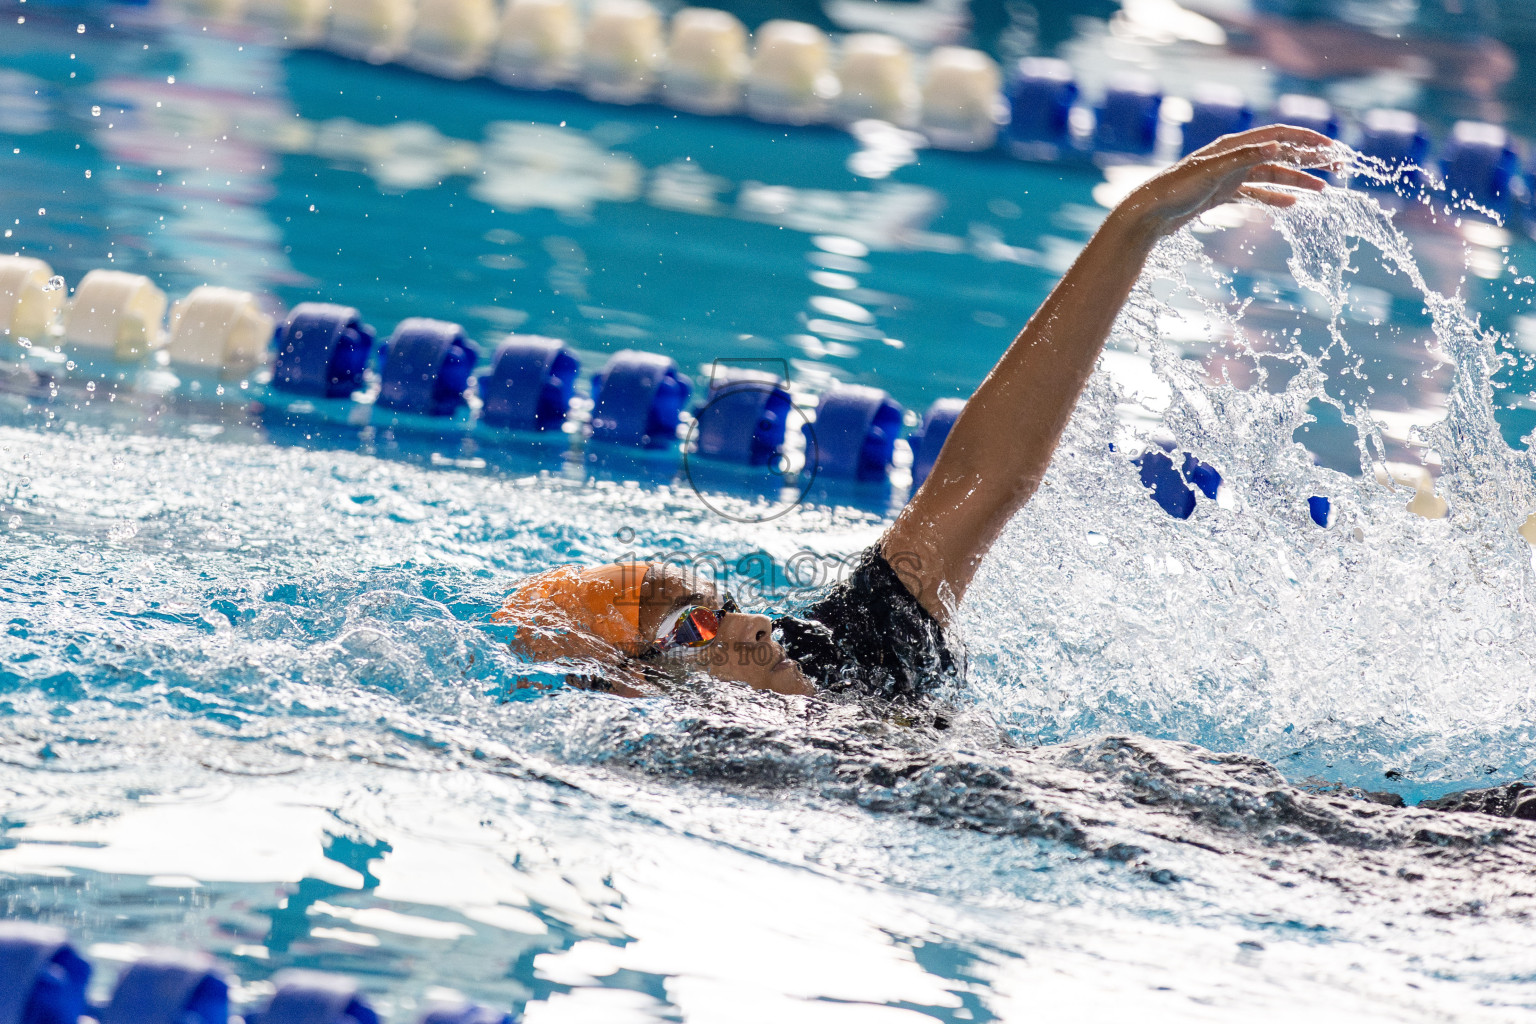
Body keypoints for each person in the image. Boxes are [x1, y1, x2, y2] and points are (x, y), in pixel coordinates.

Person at [494, 125, 1338, 701]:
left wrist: (1136, 224)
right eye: (695, 624)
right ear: (640, 687)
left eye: (716, 597)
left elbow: (990, 474)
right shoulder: (696, 777)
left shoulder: (843, 650)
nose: (748, 619)